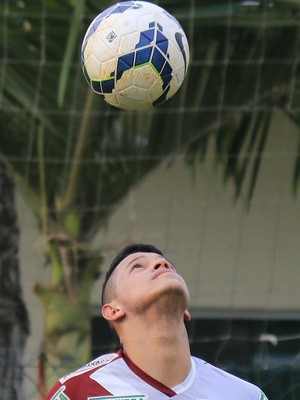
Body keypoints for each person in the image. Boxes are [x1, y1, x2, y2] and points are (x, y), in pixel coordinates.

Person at [46, 243, 269, 400]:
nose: (161, 265)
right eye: (137, 266)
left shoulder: (246, 395)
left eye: (167, 265)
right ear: (113, 310)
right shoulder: (74, 392)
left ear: (186, 310)